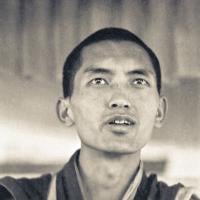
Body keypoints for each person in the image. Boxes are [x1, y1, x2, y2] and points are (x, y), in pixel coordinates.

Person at [0, 28, 199, 200]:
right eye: (99, 81)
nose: (120, 99)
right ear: (65, 111)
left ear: (160, 111)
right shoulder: (14, 196)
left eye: (138, 82)